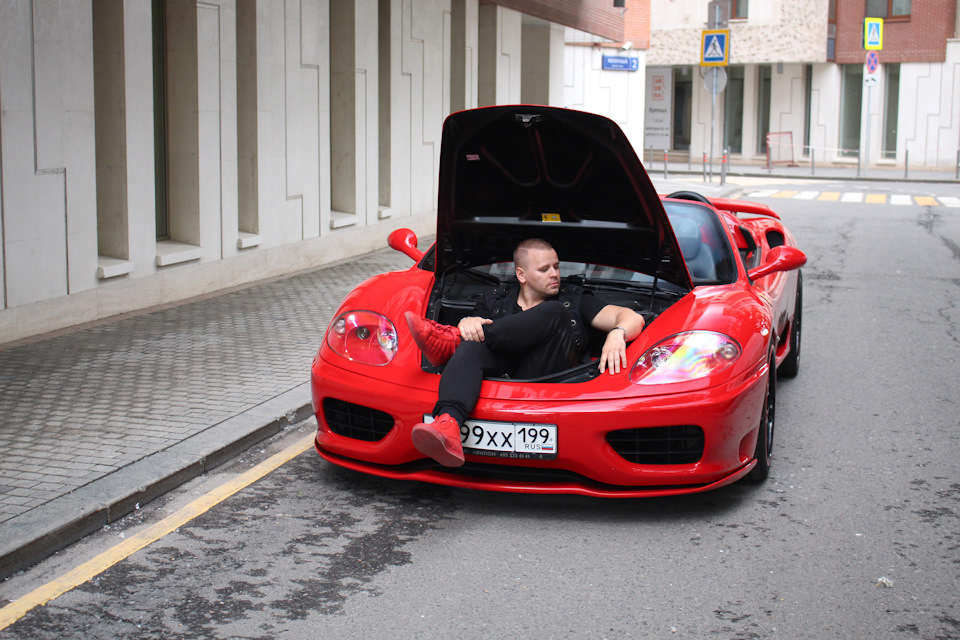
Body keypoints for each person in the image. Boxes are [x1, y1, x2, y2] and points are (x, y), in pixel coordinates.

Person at [404, 238, 646, 468]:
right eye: (544, 269)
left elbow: (631, 317)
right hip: (504, 376)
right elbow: (476, 335)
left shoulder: (574, 299)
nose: (555, 274)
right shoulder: (495, 300)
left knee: (555, 311)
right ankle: (448, 424)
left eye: (556, 267)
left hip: (551, 378)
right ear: (521, 275)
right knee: (471, 343)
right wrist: (468, 322)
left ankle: (452, 341)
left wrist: (618, 332)